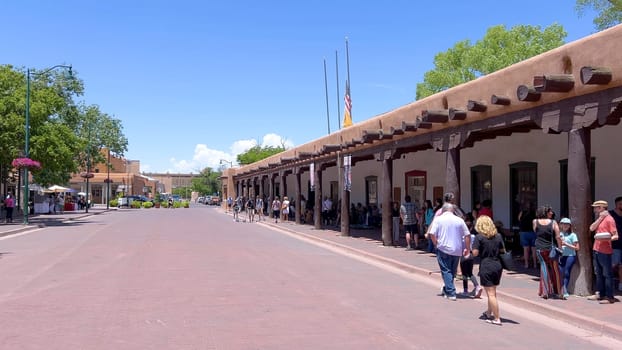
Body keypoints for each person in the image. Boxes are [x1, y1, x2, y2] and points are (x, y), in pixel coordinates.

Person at [428, 203, 471, 301]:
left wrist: (436, 243)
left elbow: (432, 233)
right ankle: (447, 289)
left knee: (446, 270)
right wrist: (468, 248)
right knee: (452, 271)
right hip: (457, 249)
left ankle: (451, 292)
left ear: (443, 210)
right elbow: (467, 235)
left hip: (443, 248)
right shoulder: (459, 220)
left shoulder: (438, 219)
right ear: (452, 210)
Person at [472, 215, 505, 326]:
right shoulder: (498, 236)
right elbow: (502, 250)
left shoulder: (479, 237)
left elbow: (475, 253)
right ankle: (488, 312)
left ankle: (496, 318)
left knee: (490, 294)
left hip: (486, 265)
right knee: (493, 291)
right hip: (497, 265)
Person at [587, 200, 619, 304]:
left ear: (601, 207)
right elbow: (591, 228)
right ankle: (600, 294)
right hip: (596, 249)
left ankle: (609, 297)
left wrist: (606, 238)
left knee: (607, 274)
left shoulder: (610, 219)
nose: (594, 209)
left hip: (605, 251)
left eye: (595, 207)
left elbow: (616, 235)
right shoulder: (600, 219)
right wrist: (600, 218)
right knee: (599, 274)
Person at [534, 206, 563, 299]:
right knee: (555, 269)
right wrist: (560, 248)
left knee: (544, 268)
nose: (552, 213)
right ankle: (559, 292)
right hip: (551, 248)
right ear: (546, 212)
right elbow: (558, 236)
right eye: (550, 211)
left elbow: (536, 232)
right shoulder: (553, 222)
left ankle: (545, 292)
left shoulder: (535, 222)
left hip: (539, 248)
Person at [461, 214, 482, 298]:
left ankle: (465, 290)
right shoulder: (474, 234)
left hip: (464, 254)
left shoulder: (463, 235)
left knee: (464, 274)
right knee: (470, 273)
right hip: (471, 254)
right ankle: (477, 286)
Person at [558, 218, 579, 300]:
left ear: (570, 226)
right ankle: (560, 290)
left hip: (570, 256)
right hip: (561, 256)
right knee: (560, 273)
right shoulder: (559, 234)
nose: (565, 225)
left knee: (566, 273)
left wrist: (566, 244)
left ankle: (564, 291)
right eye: (563, 224)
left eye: (567, 224)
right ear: (561, 225)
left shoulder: (573, 235)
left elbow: (577, 248)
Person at [609, 196, 622, 292]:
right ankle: (609, 283)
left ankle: (621, 284)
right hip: (614, 244)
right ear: (616, 204)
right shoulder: (610, 214)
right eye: (620, 203)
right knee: (613, 264)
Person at [518, 204, 537, 269]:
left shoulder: (522, 212)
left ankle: (526, 264)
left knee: (525, 249)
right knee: (534, 249)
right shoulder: (534, 213)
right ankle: (535, 264)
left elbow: (519, 219)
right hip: (533, 232)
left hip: (524, 232)